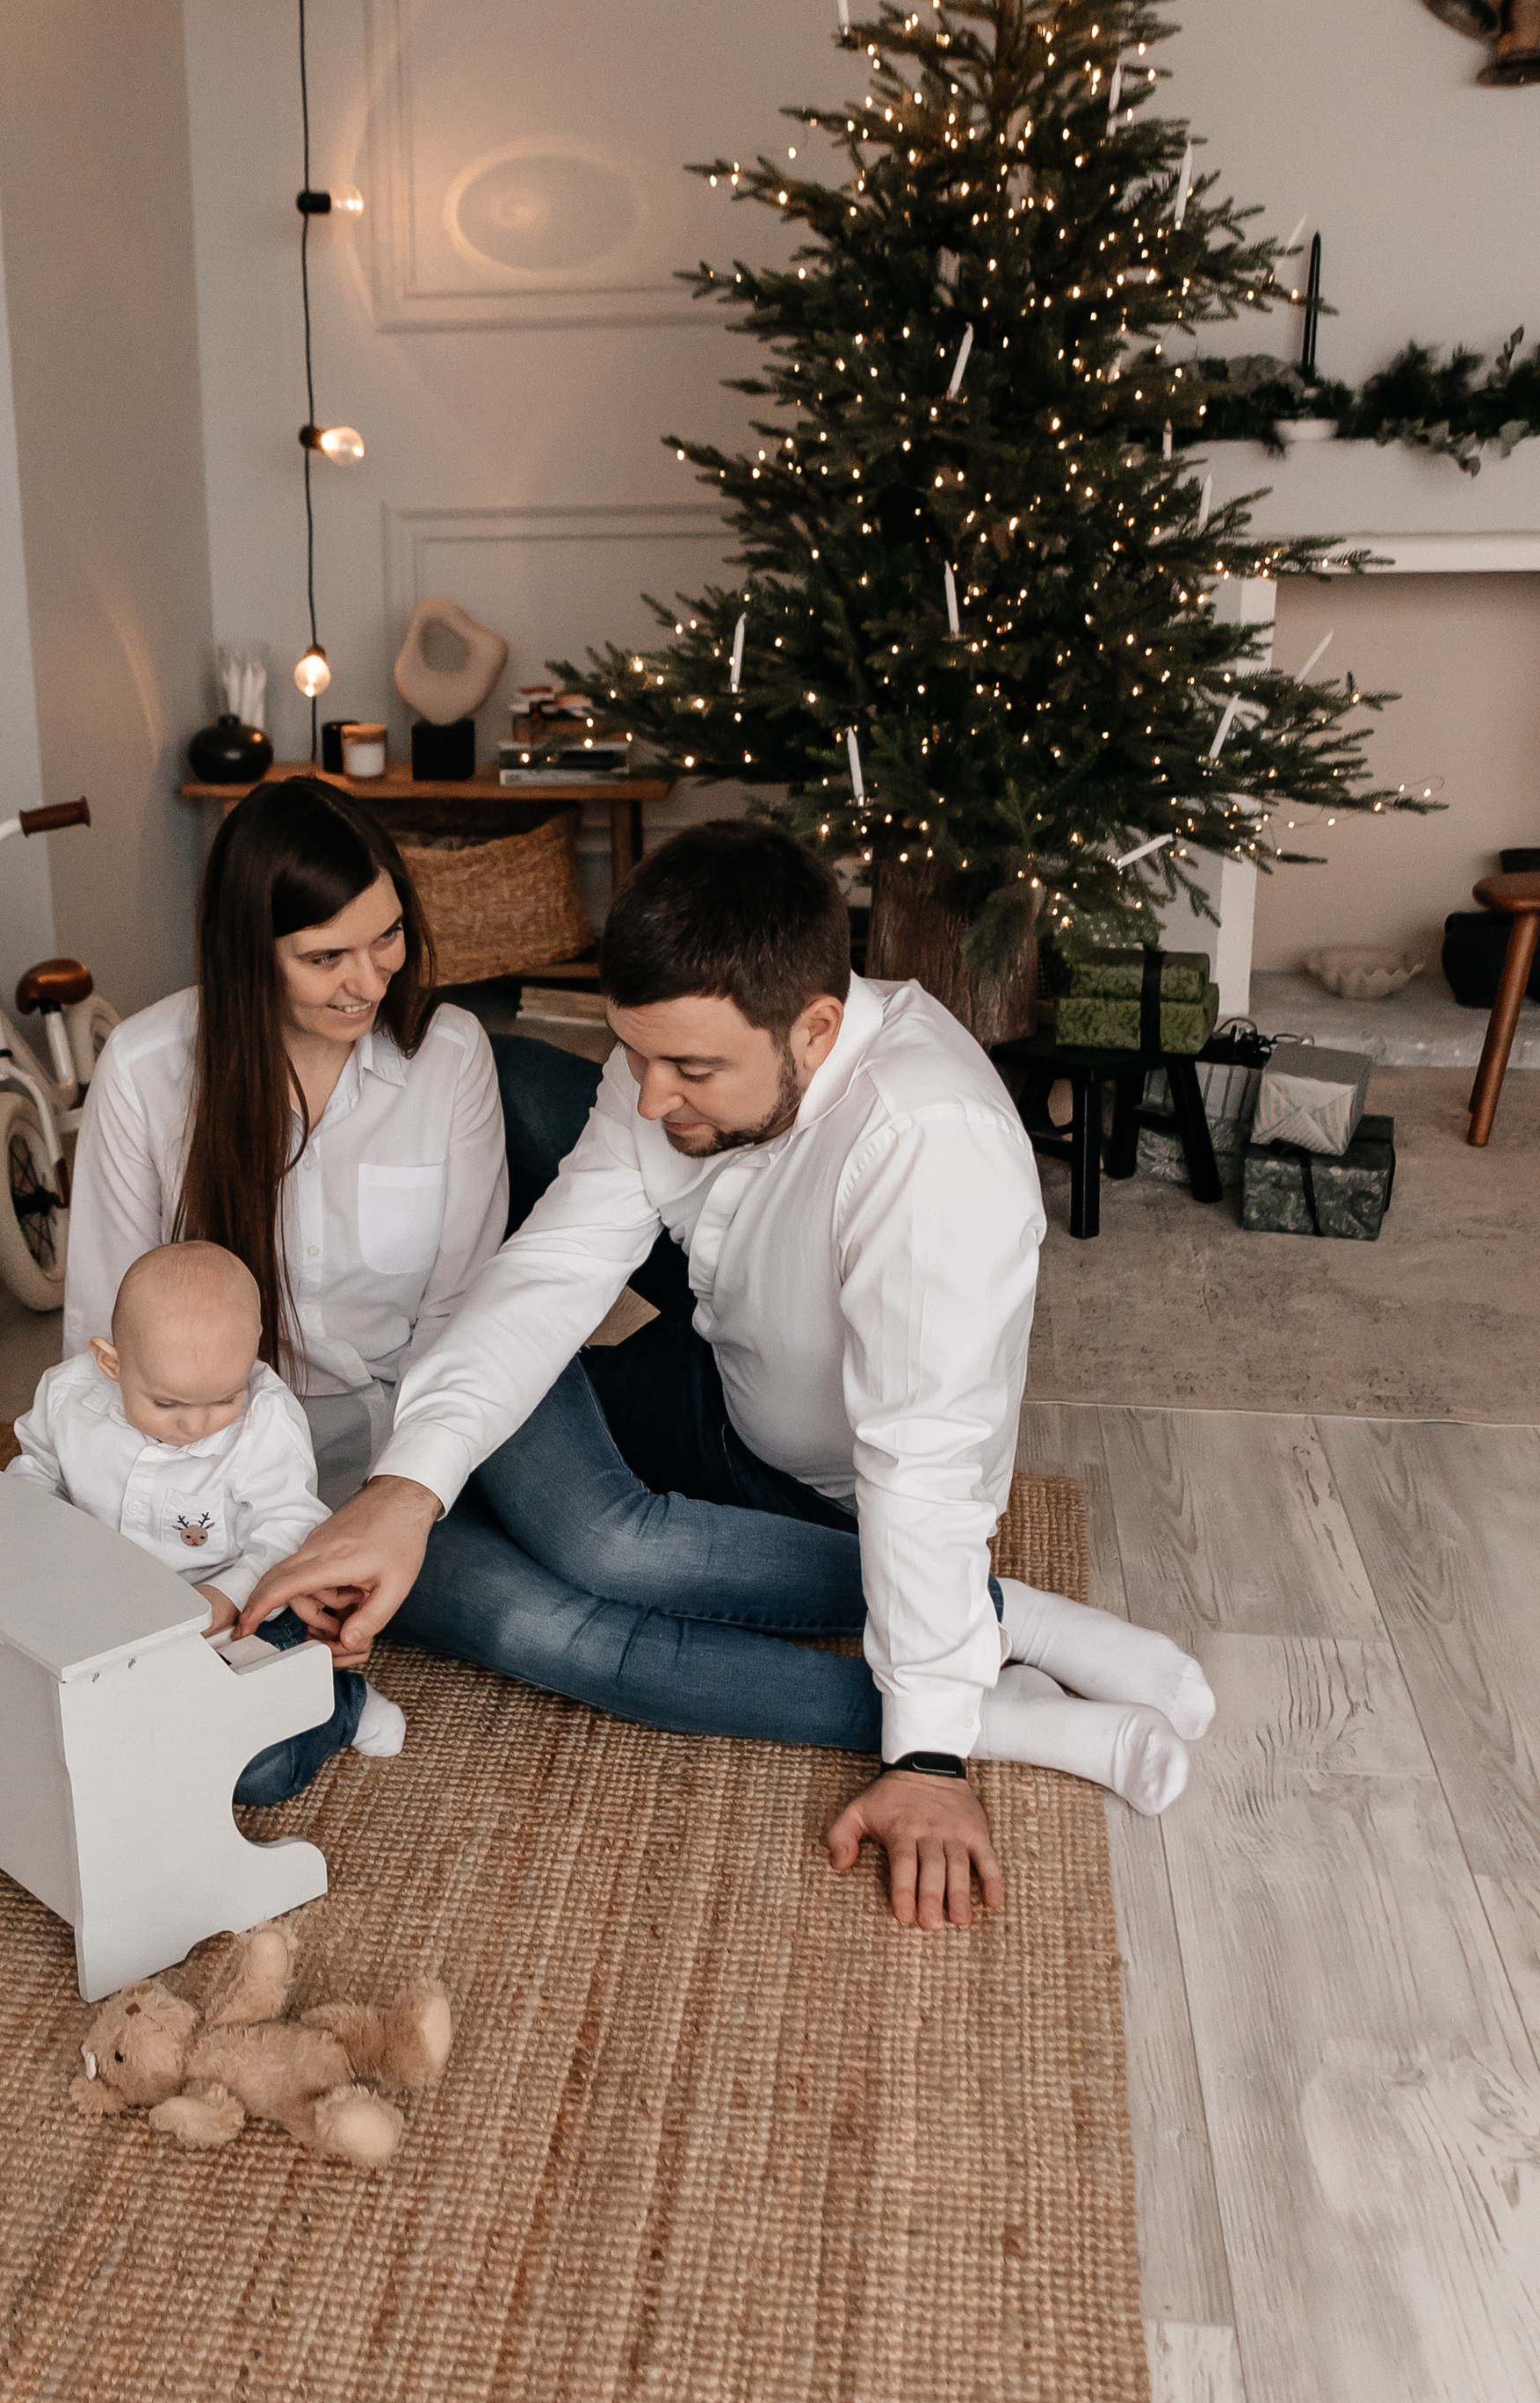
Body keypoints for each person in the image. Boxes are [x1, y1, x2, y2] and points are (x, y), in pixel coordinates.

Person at [240, 819, 1215, 1929]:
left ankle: (984, 1634)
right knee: (392, 1517)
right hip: (720, 1360)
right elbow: (554, 1269)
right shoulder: (679, 1066)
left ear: (816, 1026)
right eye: (635, 1054)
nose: (650, 1098)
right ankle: (997, 1629)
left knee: (582, 1556)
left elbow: (922, 1456)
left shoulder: (928, 1147)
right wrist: (404, 1491)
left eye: (690, 1067)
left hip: (811, 1483)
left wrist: (931, 1751)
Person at [64, 773, 510, 1502]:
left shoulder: (451, 1056)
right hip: (210, 1450)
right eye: (324, 958)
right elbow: (103, 1322)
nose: (368, 983)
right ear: (249, 952)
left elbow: (460, 1308)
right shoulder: (145, 1072)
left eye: (388, 936)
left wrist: (408, 1486)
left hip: (410, 1431)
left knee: (525, 1603)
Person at [9, 1238, 403, 1803]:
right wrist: (36, 1537)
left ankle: (341, 1705)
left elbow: (290, 1527)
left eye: (223, 1398)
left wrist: (226, 1595)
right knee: (45, 1722)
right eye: (167, 1405)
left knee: (249, 1769)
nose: (197, 1425)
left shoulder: (266, 1421)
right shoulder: (67, 1396)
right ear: (111, 1363)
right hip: (106, 1607)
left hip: (240, 1614)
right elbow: (34, 1468)